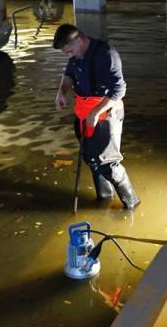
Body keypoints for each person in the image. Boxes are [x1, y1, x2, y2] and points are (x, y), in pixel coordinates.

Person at [53, 24, 139, 209]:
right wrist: (61, 92)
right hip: (84, 113)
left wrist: (96, 112)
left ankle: (132, 203)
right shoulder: (76, 55)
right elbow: (68, 74)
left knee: (108, 163)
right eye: (66, 53)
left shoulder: (106, 54)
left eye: (70, 51)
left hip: (106, 114)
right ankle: (104, 199)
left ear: (79, 40)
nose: (70, 56)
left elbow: (119, 90)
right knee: (91, 159)